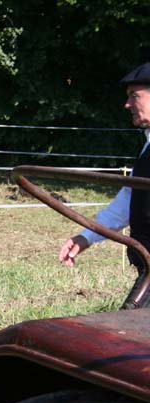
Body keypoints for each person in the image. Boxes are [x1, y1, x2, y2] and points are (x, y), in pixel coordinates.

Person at [58, 62, 150, 305]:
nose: (127, 104)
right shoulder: (148, 146)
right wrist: (86, 237)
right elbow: (129, 200)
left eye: (134, 96)